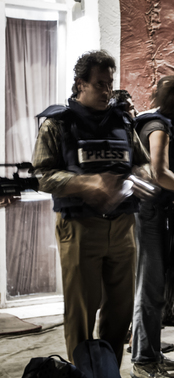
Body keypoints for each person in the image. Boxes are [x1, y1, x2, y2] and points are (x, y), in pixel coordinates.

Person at [31, 50, 150, 365]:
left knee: (121, 309)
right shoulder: (59, 124)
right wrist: (85, 184)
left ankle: (108, 371)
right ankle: (82, 373)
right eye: (99, 84)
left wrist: (137, 179)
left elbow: (144, 166)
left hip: (124, 227)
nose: (107, 91)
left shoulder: (123, 122)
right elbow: (42, 175)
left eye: (110, 84)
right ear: (79, 84)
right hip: (81, 228)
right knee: (82, 311)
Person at [131, 74, 174, 378]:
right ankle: (144, 361)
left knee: (155, 287)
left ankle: (152, 353)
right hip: (150, 214)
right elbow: (158, 171)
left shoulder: (157, 123)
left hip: (154, 213)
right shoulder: (159, 127)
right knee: (150, 287)